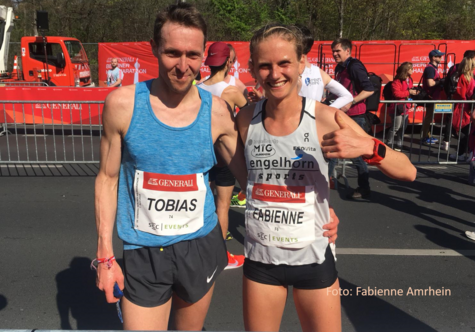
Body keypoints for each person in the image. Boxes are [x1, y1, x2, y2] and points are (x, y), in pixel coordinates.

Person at [237, 23, 416, 332]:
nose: (275, 74)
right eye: (264, 65)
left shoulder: (326, 117)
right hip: (261, 261)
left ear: (302, 64)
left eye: (284, 63)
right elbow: (250, 182)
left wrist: (369, 147)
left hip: (314, 261)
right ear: (252, 67)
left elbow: (408, 170)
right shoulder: (244, 119)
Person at [94, 4, 250, 330]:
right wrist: (106, 256)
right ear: (154, 48)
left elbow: (251, 178)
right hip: (144, 250)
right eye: (172, 53)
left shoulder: (218, 112)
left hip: (201, 245)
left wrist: (316, 209)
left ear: (204, 55)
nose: (183, 66)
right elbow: (107, 179)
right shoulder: (122, 105)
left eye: (193, 55)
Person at [197, 41, 248, 268]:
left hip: (202, 154)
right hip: (225, 154)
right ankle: (221, 257)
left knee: (201, 205)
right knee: (223, 206)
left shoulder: (196, 88)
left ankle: (198, 251)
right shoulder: (231, 91)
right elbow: (249, 119)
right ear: (228, 62)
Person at [330, 38, 375, 199]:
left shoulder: (354, 66)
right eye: (333, 51)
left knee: (356, 155)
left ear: (347, 51)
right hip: (342, 115)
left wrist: (351, 102)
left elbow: (369, 89)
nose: (334, 54)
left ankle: (364, 188)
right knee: (332, 150)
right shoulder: (340, 67)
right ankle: (325, 182)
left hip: (356, 116)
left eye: (338, 51)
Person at [296, 26, 353, 109]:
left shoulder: (288, 73)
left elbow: (347, 96)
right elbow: (347, 96)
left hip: (300, 120)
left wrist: (325, 111)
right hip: (311, 119)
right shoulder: (319, 72)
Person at [386, 62, 419, 151]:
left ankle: (398, 144)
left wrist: (415, 92)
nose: (412, 70)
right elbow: (397, 94)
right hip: (397, 107)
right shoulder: (397, 81)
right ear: (406, 70)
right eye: (410, 68)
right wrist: (409, 92)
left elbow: (409, 91)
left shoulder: (410, 80)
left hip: (406, 106)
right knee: (396, 127)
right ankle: (388, 143)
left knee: (403, 127)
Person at [449, 56, 475, 161]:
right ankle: (466, 152)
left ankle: (462, 153)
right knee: (468, 131)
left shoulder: (463, 77)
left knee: (464, 131)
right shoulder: (471, 77)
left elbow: (461, 94)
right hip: (468, 106)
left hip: (464, 107)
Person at [420, 49, 445, 145]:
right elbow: (430, 83)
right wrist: (440, 82)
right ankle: (424, 137)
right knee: (428, 117)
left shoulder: (433, 68)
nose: (441, 58)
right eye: (439, 56)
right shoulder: (430, 68)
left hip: (433, 96)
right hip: (431, 97)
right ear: (433, 57)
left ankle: (427, 135)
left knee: (429, 117)